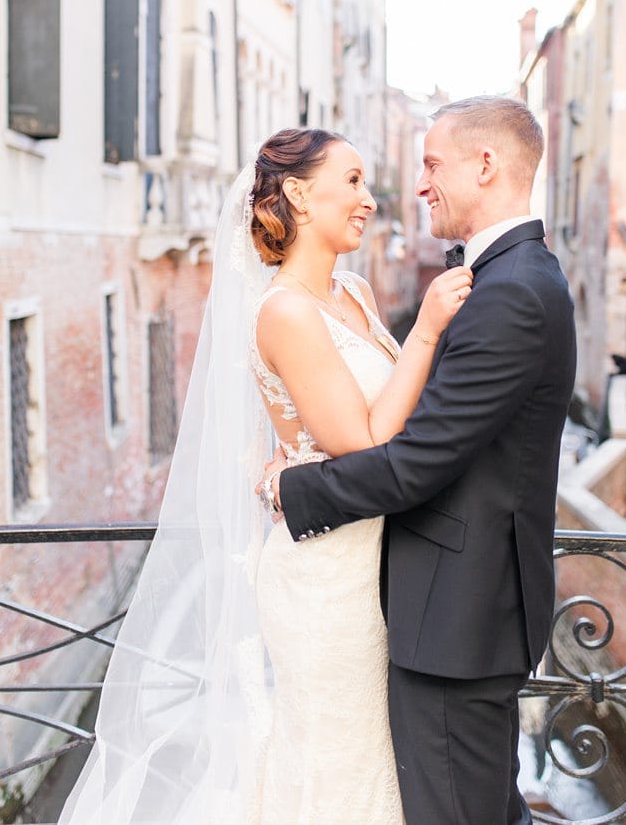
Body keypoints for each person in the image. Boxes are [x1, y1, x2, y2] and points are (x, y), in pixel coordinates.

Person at [57, 127, 473, 824]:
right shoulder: (283, 310)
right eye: (354, 182)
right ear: (301, 196)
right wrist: (428, 329)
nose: (370, 200)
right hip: (325, 580)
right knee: (335, 763)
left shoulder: (357, 294)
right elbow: (363, 440)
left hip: (377, 560)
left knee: (371, 761)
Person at [267, 96, 575, 825]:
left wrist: (296, 488)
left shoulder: (511, 295)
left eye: (432, 164)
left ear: (486, 165)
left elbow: (416, 464)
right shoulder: (509, 280)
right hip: (448, 612)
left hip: (457, 623)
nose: (418, 185)